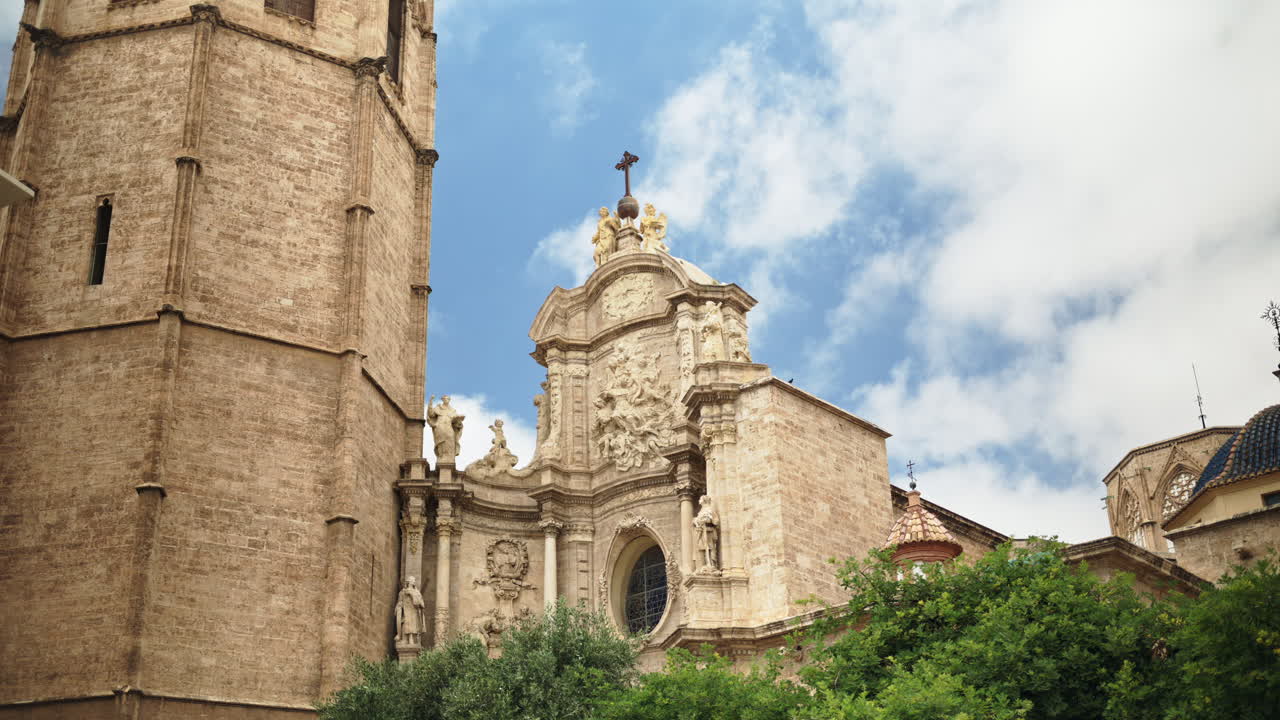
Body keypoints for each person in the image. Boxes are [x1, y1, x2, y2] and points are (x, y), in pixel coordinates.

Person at [395, 576, 426, 644]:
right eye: (412, 580)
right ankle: (405, 639)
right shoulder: (402, 592)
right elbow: (400, 601)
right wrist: (398, 607)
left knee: (413, 625)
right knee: (405, 623)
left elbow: (421, 604)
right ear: (409, 582)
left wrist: (412, 594)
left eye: (414, 580)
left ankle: (412, 639)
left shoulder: (417, 592)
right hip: (406, 612)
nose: (414, 581)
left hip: (414, 612)